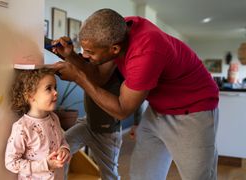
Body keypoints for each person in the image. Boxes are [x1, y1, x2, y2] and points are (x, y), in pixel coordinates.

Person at [52, 8, 219, 180]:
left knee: (198, 177)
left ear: (114, 49)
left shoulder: (145, 52)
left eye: (90, 52)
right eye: (84, 49)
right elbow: (99, 77)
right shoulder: (118, 30)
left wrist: (79, 78)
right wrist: (71, 56)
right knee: (142, 175)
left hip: (193, 109)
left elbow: (122, 109)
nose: (85, 55)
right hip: (158, 109)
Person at [5, 68, 70, 180]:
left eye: (55, 87)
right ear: (30, 96)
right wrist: (46, 165)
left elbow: (62, 140)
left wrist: (64, 149)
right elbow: (11, 162)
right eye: (48, 88)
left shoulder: (54, 118)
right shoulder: (22, 127)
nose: (56, 92)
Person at [65, 67, 123, 180]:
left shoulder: (119, 74)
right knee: (61, 149)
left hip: (107, 132)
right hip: (87, 123)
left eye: (90, 52)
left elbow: (137, 102)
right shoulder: (89, 66)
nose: (86, 55)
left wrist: (136, 123)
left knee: (109, 174)